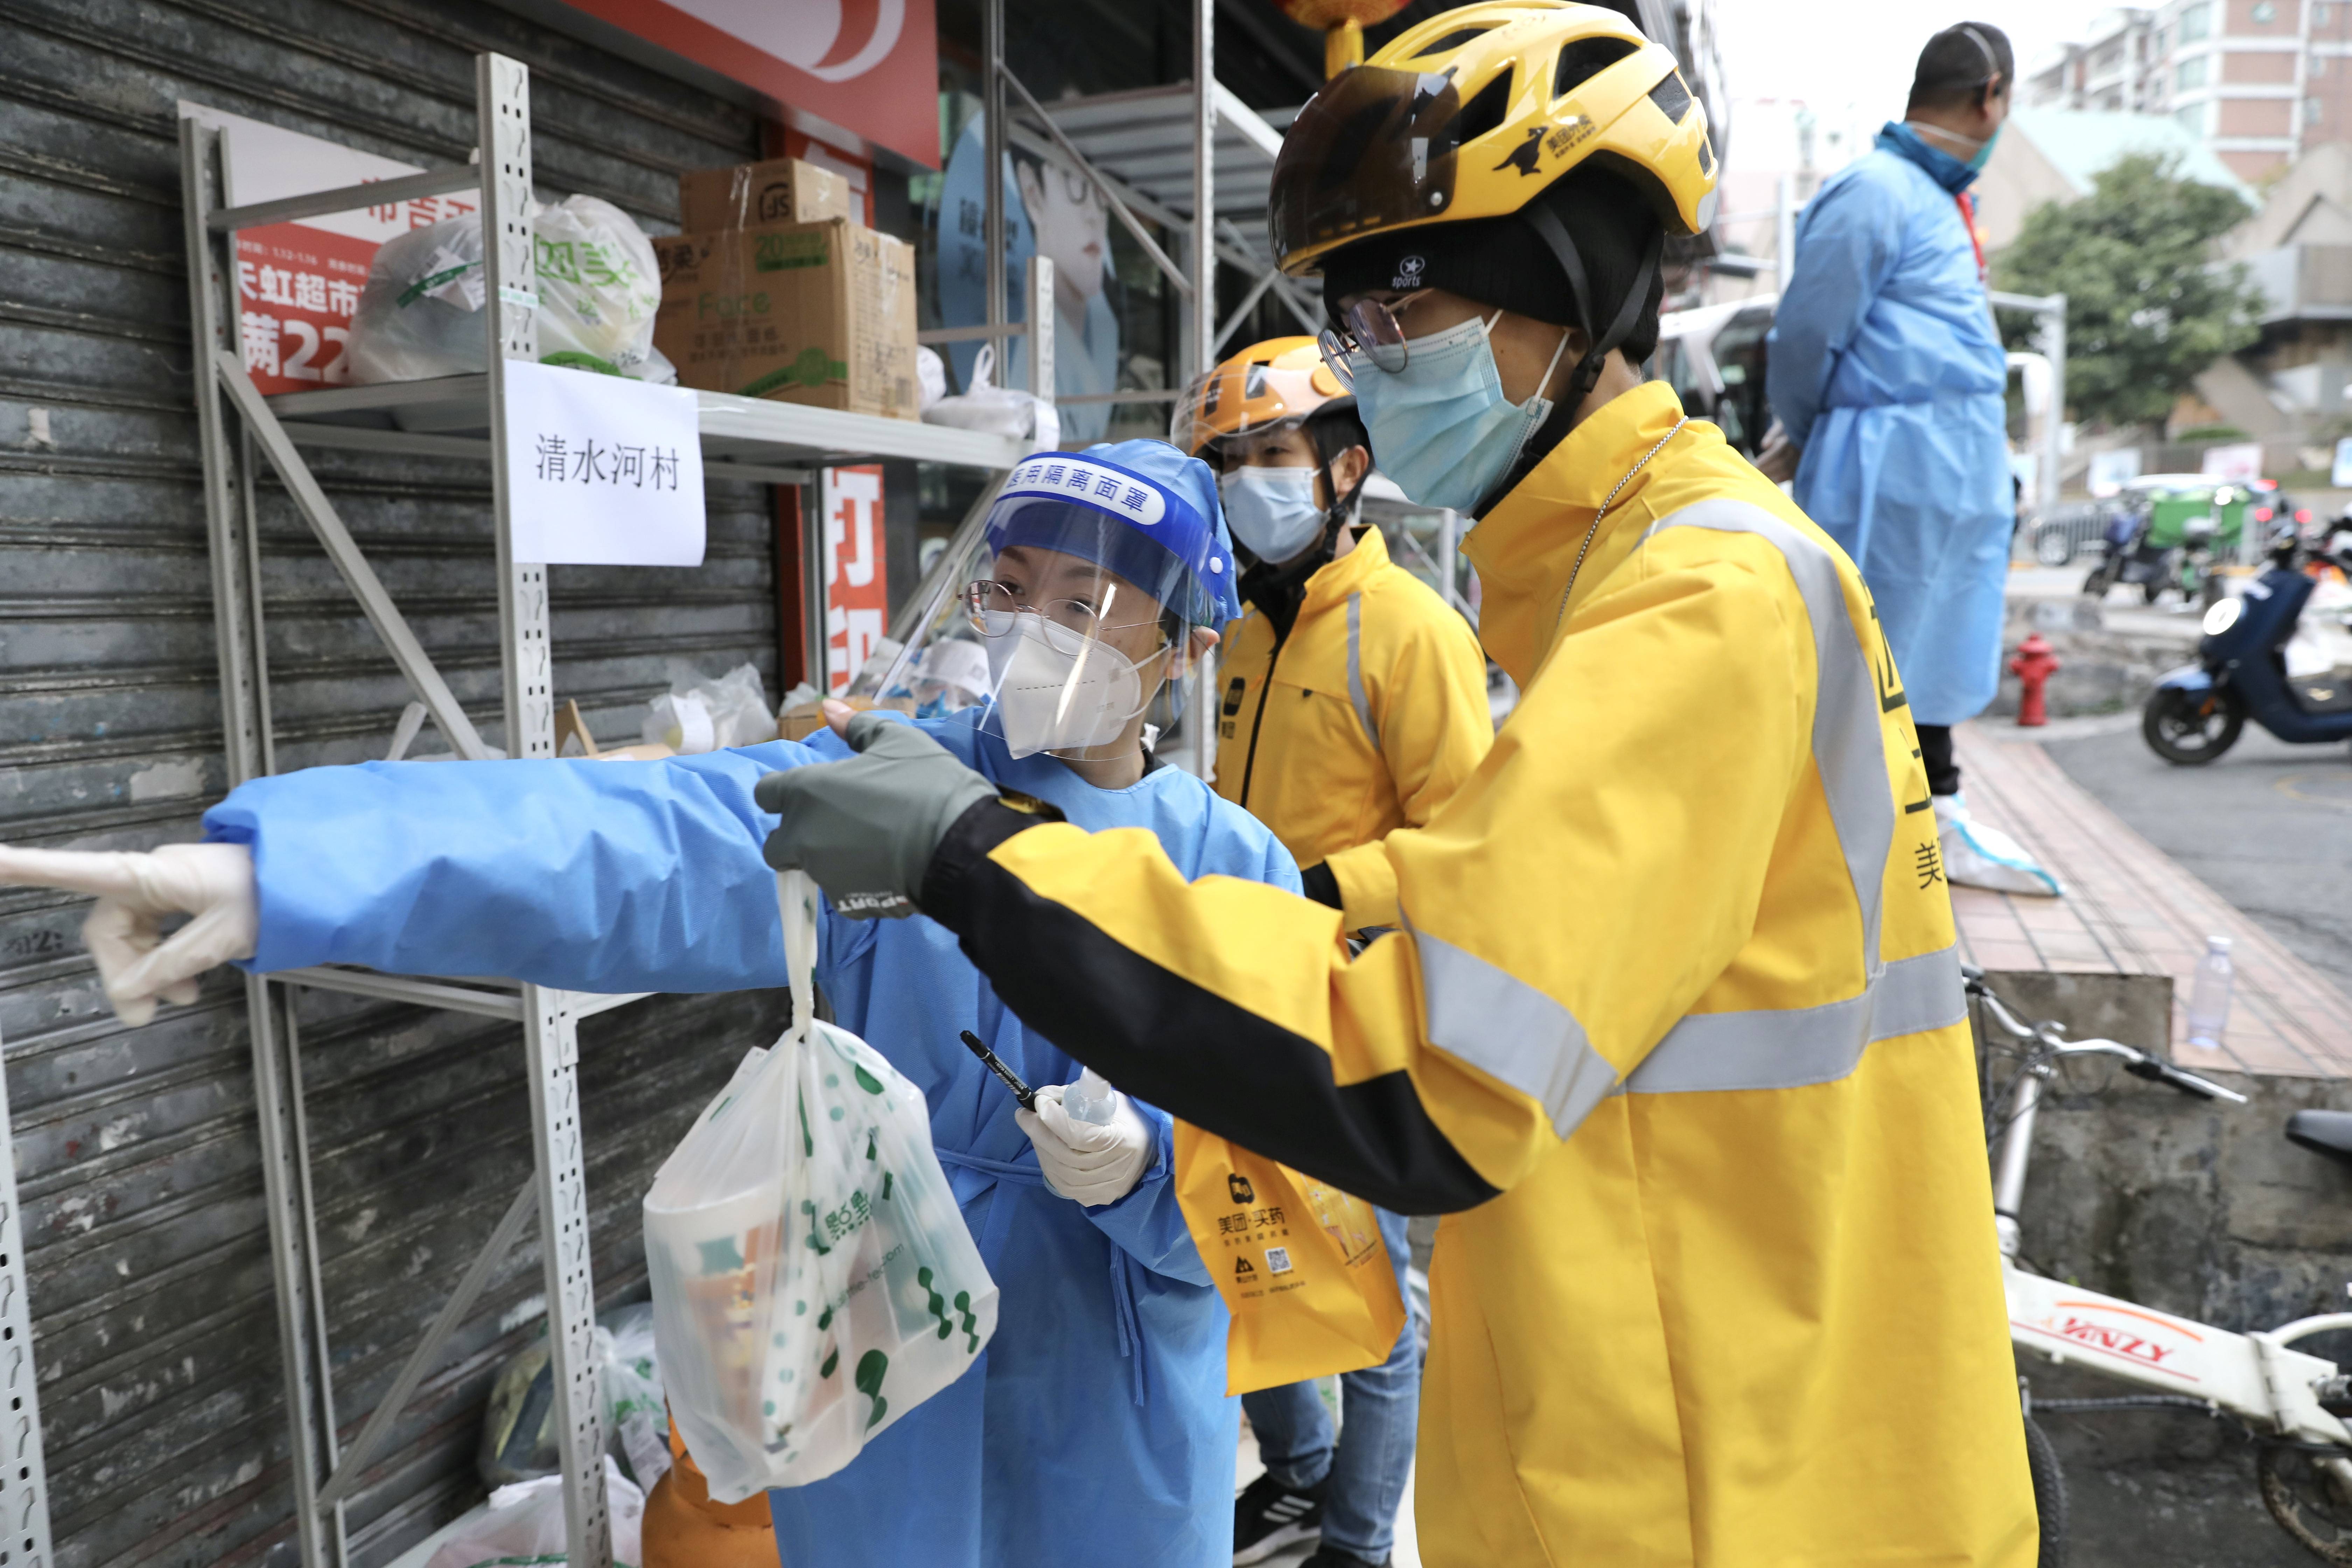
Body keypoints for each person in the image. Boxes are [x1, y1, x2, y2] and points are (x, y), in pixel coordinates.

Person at [753, 7, 2039, 1566]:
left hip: (1730, 1482)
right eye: (1349, 314)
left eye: (1402, 300)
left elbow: (1428, 1070)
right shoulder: (1630, 576)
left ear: (1570, 279)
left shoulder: (1698, 602)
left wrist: (973, 853)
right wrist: (1293, 891)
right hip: (1708, 1411)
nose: (1369, 355)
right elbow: (1513, 896)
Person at [0, 441, 1288, 1568]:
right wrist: (294, 869)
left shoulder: (1239, 869)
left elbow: (1291, 1200)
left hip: (1119, 1397)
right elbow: (636, 838)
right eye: (1010, 593)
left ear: (1186, 645)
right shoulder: (894, 796)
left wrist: (1145, 1175)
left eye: (1086, 602)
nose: (1032, 632)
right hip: (899, 1346)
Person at [1175, 337, 1491, 1568]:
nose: (1249, 480)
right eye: (1230, 461)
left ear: (1346, 466)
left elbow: (1470, 846)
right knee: (1244, 1242)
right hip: (1238, 983)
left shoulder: (1411, 631)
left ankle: (1358, 1541)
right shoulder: (1239, 639)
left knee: (1374, 1299)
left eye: (1272, 454)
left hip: (1353, 998)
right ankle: (1302, 1477)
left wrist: (1320, 886)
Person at [1760, 22, 2062, 896]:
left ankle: (1933, 808)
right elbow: (1807, 336)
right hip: (1885, 457)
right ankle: (1868, 825)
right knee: (1873, 651)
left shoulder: (1937, 200)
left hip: (1948, 459)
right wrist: (1808, 429)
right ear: (1990, 96)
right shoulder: (1875, 191)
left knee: (1934, 649)